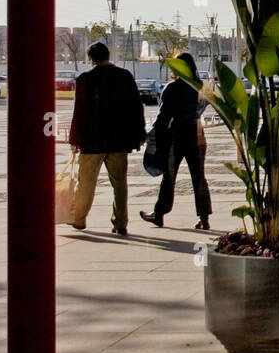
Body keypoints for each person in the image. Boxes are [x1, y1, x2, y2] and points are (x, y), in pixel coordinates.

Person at [68, 41, 146, 236]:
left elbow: (80, 111)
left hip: (92, 141)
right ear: (108, 55)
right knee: (119, 184)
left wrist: (74, 138)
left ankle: (79, 218)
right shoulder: (124, 76)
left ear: (91, 58)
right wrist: (139, 134)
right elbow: (136, 108)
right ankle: (120, 223)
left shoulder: (85, 79)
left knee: (86, 183)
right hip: (119, 140)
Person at [141, 52, 213, 230]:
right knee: (199, 177)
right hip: (197, 134)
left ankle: (159, 214)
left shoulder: (171, 88)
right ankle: (204, 218)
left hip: (176, 136)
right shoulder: (202, 87)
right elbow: (202, 108)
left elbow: (164, 115)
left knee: (169, 176)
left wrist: (151, 134)